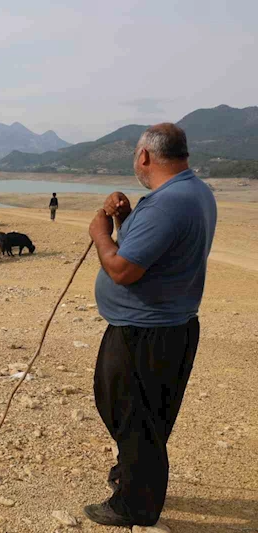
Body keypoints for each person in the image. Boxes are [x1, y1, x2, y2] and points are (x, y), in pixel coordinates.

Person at [85, 123, 217, 527]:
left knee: (128, 412)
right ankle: (134, 477)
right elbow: (155, 250)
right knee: (147, 415)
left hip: (144, 332)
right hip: (169, 328)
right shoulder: (195, 192)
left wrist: (100, 234)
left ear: (145, 156)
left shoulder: (166, 203)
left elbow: (123, 270)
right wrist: (126, 221)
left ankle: (134, 506)